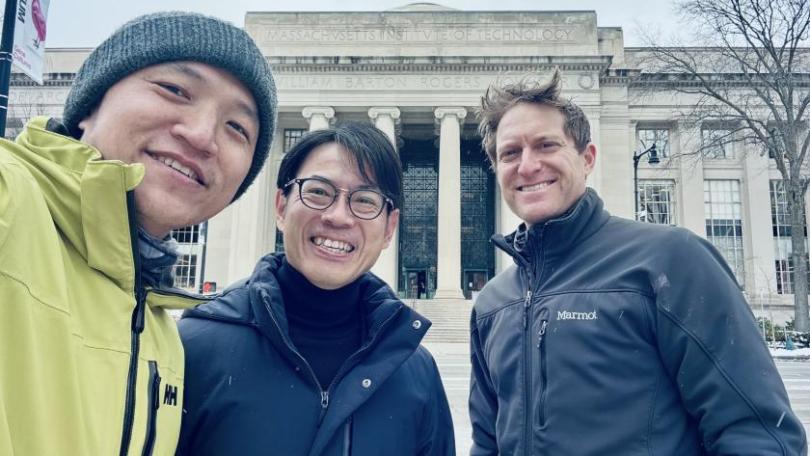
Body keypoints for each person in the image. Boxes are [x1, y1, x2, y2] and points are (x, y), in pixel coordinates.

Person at [468, 69, 807, 455]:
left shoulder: (670, 262)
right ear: (496, 168)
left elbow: (757, 432)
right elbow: (488, 444)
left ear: (587, 158)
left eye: (546, 145)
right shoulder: (493, 304)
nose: (527, 166)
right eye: (510, 152)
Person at [0, 12, 276, 455]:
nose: (203, 135)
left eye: (237, 128)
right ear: (90, 106)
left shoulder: (161, 332)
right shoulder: (10, 198)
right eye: (175, 90)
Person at [177, 123, 455, 455]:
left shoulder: (416, 371)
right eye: (319, 191)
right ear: (281, 206)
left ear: (389, 229)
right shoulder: (192, 349)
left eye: (365, 200)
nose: (339, 217)